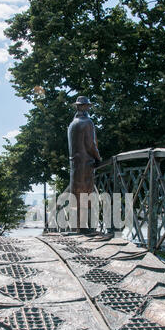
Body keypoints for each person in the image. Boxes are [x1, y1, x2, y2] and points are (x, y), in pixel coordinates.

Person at [67, 96, 101, 231]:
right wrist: (98, 157)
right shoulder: (87, 122)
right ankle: (83, 227)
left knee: (76, 195)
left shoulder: (72, 125)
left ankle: (76, 227)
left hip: (75, 165)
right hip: (86, 164)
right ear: (81, 107)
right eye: (86, 106)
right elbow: (91, 144)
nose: (87, 108)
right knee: (85, 196)